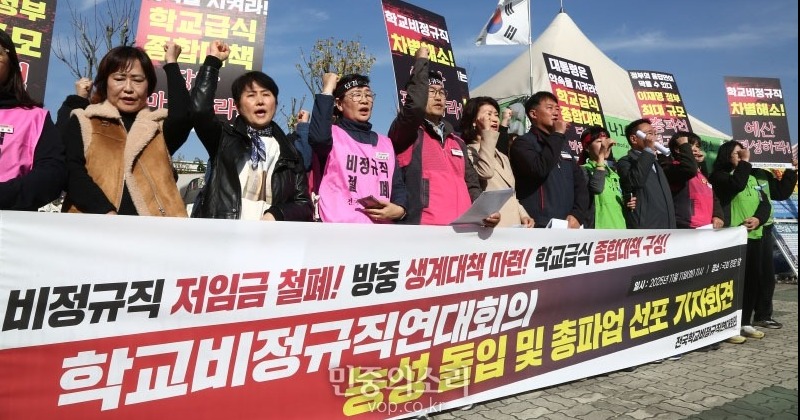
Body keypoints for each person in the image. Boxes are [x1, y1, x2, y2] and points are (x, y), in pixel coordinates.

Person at [61, 43, 191, 216]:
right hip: (92, 231)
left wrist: (171, 62)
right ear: (105, 82)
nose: (128, 88)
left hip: (154, 236)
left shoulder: (158, 128)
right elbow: (71, 170)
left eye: (138, 80)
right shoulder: (84, 121)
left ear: (149, 86)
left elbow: (183, 115)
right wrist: (105, 211)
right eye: (119, 79)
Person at [190, 41, 312, 221]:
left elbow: (304, 205)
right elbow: (199, 110)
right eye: (251, 95)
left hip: (268, 243)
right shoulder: (223, 139)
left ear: (275, 104)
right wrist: (213, 62)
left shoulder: (290, 153)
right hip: (221, 238)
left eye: (266, 94)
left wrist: (278, 213)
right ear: (238, 106)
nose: (260, 101)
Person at [387, 46, 498, 227]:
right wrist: (421, 61)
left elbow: (472, 185)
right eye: (431, 92)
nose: (438, 97)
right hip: (425, 231)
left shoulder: (458, 141)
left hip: (462, 231)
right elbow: (414, 107)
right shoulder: (408, 133)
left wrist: (485, 214)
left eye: (442, 92)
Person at [308, 72, 407, 223]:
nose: (364, 100)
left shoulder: (385, 143)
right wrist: (327, 89)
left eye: (368, 95)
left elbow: (397, 185)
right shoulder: (331, 136)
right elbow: (318, 137)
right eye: (356, 95)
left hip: (380, 234)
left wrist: (400, 209)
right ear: (339, 104)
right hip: (338, 232)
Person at [710, 141, 771, 341]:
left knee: (752, 281)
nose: (743, 155)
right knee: (732, 283)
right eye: (738, 153)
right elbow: (736, 185)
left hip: (754, 236)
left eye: (744, 153)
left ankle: (745, 322)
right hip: (732, 238)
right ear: (727, 155)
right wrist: (745, 162)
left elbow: (765, 203)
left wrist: (758, 219)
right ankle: (726, 325)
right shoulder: (720, 177)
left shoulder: (752, 177)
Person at [0, 29, 65, 210]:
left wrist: (6, 195)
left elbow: (53, 174)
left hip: (10, 228)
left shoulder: (36, 118)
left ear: (11, 64)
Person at [509, 91, 588, 228]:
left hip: (568, 226)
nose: (556, 113)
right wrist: (557, 134)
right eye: (550, 108)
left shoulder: (563, 146)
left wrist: (577, 214)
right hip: (538, 225)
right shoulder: (523, 143)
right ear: (534, 114)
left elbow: (580, 185)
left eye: (557, 109)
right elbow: (539, 169)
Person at [461, 96, 533, 228]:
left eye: (496, 114)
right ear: (474, 121)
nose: (494, 119)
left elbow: (511, 193)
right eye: (488, 114)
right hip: (492, 226)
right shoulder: (468, 151)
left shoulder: (502, 156)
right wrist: (486, 133)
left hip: (514, 225)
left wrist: (523, 214)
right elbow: (486, 172)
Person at [751, 163, 797, 329]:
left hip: (765, 228)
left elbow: (780, 193)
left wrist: (791, 170)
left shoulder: (764, 174)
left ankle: (763, 315)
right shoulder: (732, 172)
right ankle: (739, 319)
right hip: (743, 229)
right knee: (747, 277)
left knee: (767, 277)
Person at [617, 119, 676, 229]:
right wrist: (648, 149)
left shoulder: (656, 163)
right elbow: (636, 181)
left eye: (655, 134)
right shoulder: (625, 162)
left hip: (667, 227)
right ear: (634, 139)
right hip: (647, 227)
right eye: (649, 134)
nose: (653, 138)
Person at [663, 131, 724, 229]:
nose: (696, 150)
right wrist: (684, 146)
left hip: (705, 227)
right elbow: (688, 169)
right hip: (685, 226)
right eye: (690, 145)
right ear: (679, 149)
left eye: (698, 146)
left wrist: (717, 215)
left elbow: (713, 197)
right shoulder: (672, 168)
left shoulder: (700, 173)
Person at [579, 125, 626, 229]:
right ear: (587, 147)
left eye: (606, 141)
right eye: (600, 142)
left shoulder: (613, 173)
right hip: (598, 233)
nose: (605, 145)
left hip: (620, 231)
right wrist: (601, 156)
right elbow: (597, 188)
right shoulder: (582, 170)